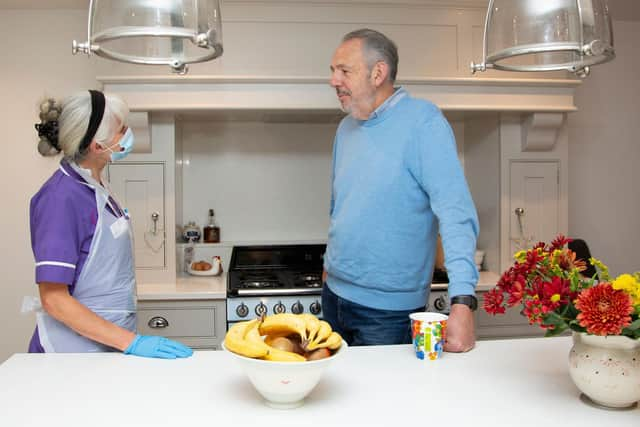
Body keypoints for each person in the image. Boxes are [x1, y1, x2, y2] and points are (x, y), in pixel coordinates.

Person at [323, 29, 479, 351]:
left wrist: (462, 302)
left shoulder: (424, 123)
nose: (333, 81)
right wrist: (330, 267)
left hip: (387, 313)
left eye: (344, 71)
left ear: (377, 73)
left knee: (385, 401)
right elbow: (340, 206)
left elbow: (456, 214)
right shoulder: (346, 127)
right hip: (333, 296)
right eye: (332, 71)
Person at [26, 90, 193, 359]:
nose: (128, 134)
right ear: (97, 146)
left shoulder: (94, 187)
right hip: (72, 356)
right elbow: (54, 299)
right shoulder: (60, 198)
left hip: (103, 344)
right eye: (121, 130)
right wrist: (132, 342)